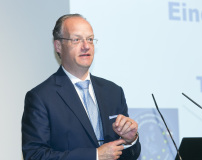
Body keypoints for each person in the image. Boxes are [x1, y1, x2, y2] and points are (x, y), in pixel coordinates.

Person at [21, 14, 141, 160]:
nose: (86, 46)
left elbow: (128, 156)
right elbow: (35, 155)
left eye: (90, 39)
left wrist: (130, 140)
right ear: (58, 46)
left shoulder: (113, 92)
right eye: (76, 40)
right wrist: (95, 155)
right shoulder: (41, 97)